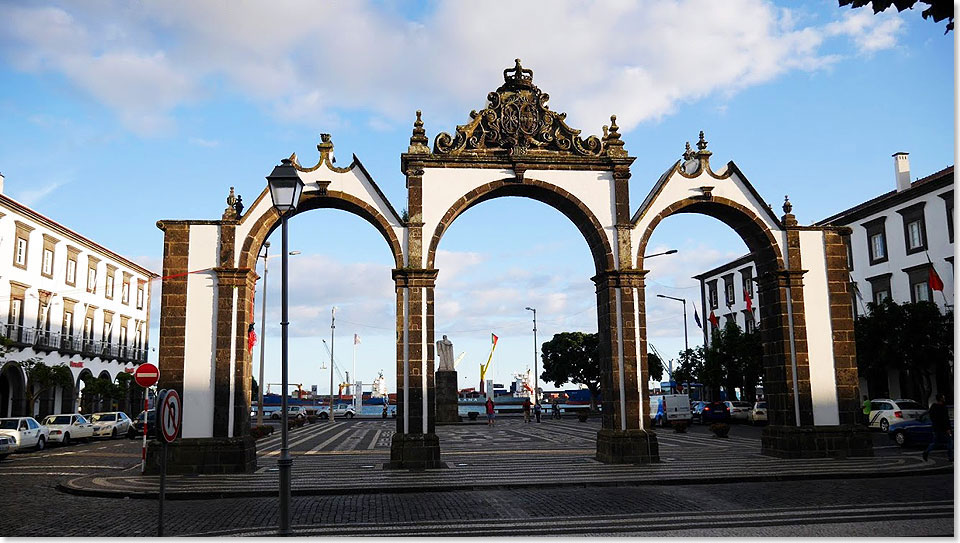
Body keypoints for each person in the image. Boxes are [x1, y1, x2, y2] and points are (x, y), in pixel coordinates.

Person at [923, 394, 953, 462]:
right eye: (943, 397)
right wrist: (948, 428)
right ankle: (950, 457)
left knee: (935, 442)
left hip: (936, 428)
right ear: (941, 399)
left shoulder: (933, 407)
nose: (944, 398)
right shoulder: (943, 407)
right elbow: (945, 419)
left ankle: (926, 451)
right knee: (950, 442)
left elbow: (931, 417)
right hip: (944, 429)